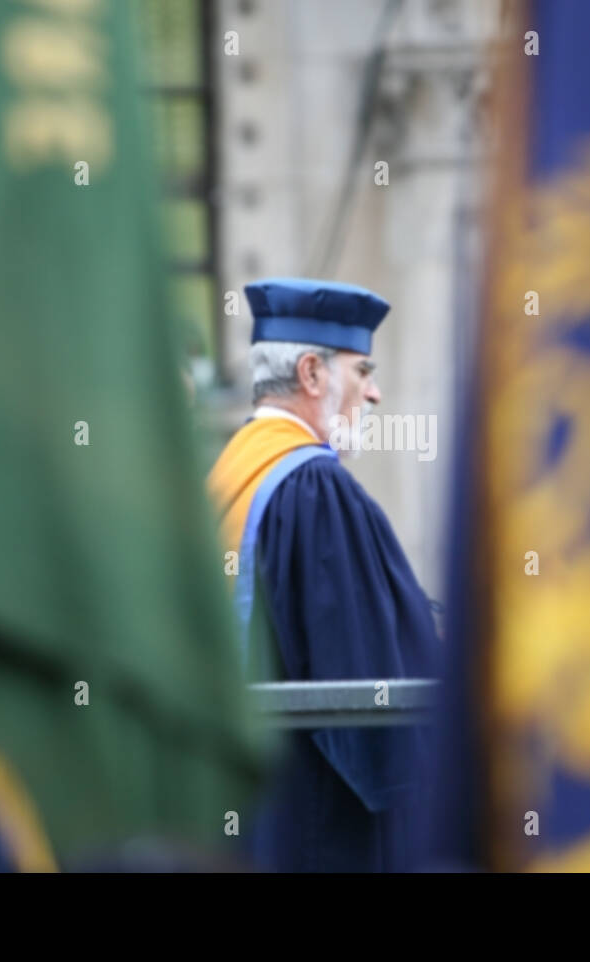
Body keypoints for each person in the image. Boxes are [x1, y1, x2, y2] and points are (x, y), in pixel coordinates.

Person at [207, 277, 439, 872]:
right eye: (364, 372)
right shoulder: (314, 488)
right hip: (319, 828)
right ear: (312, 374)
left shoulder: (232, 473)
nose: (376, 394)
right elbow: (366, 662)